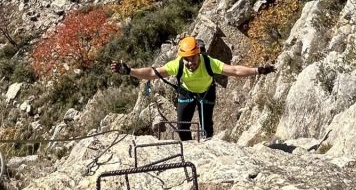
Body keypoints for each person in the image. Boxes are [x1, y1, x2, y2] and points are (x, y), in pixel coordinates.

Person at [111, 35, 275, 141]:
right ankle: (190, 151)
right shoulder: (178, 64)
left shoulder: (208, 62)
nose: (190, 63)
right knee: (182, 127)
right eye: (186, 59)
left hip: (206, 92)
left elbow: (234, 70)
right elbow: (153, 73)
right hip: (187, 93)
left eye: (193, 58)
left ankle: (208, 150)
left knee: (206, 127)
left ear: (199, 55)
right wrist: (129, 71)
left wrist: (258, 70)